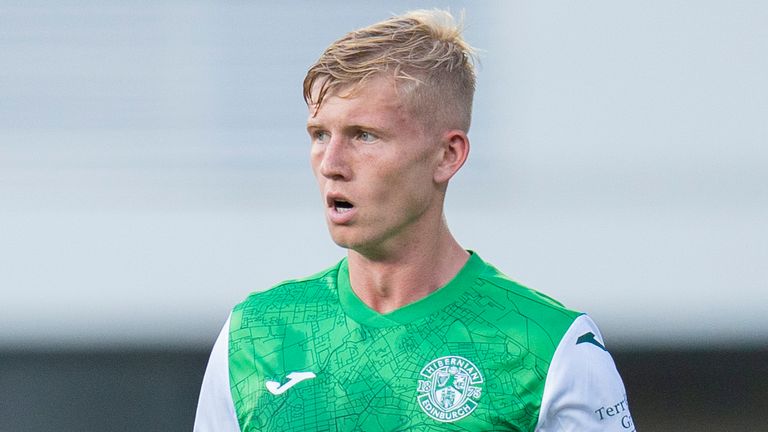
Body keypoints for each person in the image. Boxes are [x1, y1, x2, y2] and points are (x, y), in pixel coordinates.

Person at [194, 9, 634, 432]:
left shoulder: (551, 348)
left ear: (447, 155)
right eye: (320, 135)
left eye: (365, 135)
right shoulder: (253, 335)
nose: (331, 163)